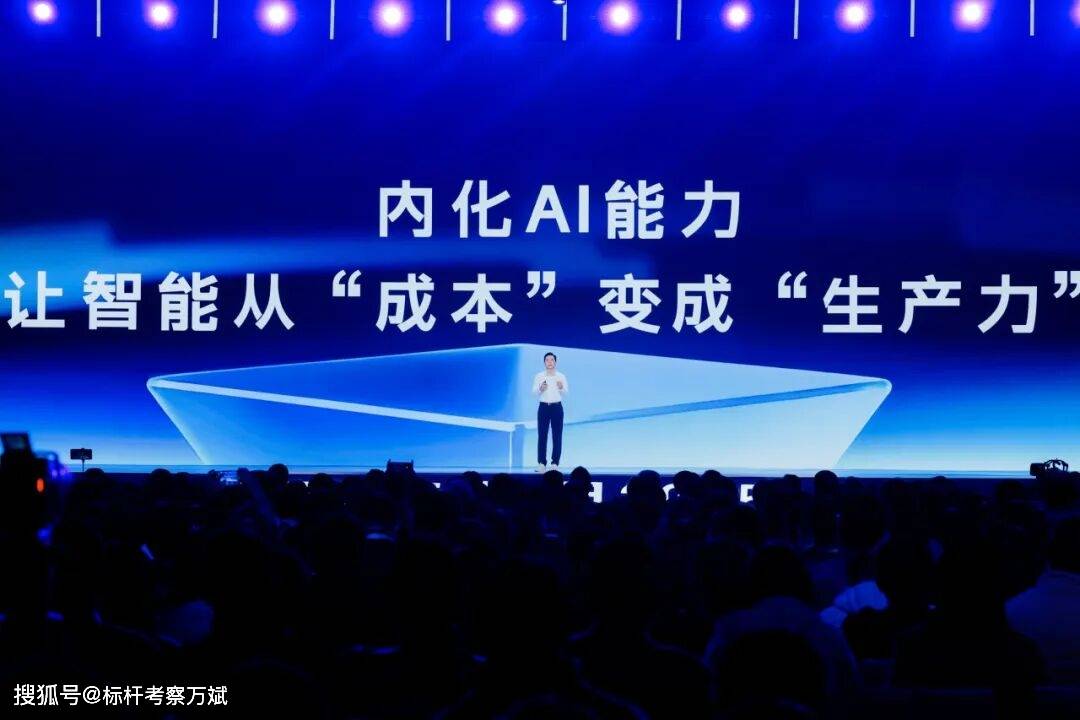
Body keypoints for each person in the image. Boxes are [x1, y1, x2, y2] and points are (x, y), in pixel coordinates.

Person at [531, 352, 568, 472]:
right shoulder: (539, 376)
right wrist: (540, 389)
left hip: (557, 407)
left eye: (552, 360)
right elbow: (534, 392)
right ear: (544, 362)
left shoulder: (561, 376)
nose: (550, 362)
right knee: (542, 435)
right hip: (543, 407)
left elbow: (566, 392)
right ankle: (542, 463)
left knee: (557, 436)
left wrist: (561, 387)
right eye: (547, 360)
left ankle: (555, 463)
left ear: (555, 362)